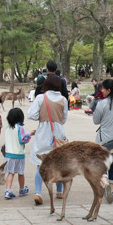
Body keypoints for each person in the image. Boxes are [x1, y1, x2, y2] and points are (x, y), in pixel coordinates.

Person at [27, 73, 68, 204]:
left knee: (41, 164)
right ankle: (60, 191)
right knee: (59, 162)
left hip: (44, 133)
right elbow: (64, 119)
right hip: (58, 134)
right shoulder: (63, 99)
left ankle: (38, 192)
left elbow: (31, 115)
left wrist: (42, 116)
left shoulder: (40, 98)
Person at [92, 78, 113, 204]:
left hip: (104, 140)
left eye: (103, 88)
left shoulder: (102, 104)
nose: (101, 90)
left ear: (108, 90)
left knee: (101, 165)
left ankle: (105, 183)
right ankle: (111, 190)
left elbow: (96, 121)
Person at [2, 107, 33, 199]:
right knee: (20, 173)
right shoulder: (20, 128)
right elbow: (22, 140)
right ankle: (22, 189)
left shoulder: (7, 128)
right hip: (19, 155)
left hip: (8, 155)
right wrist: (30, 134)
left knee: (10, 173)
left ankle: (8, 191)